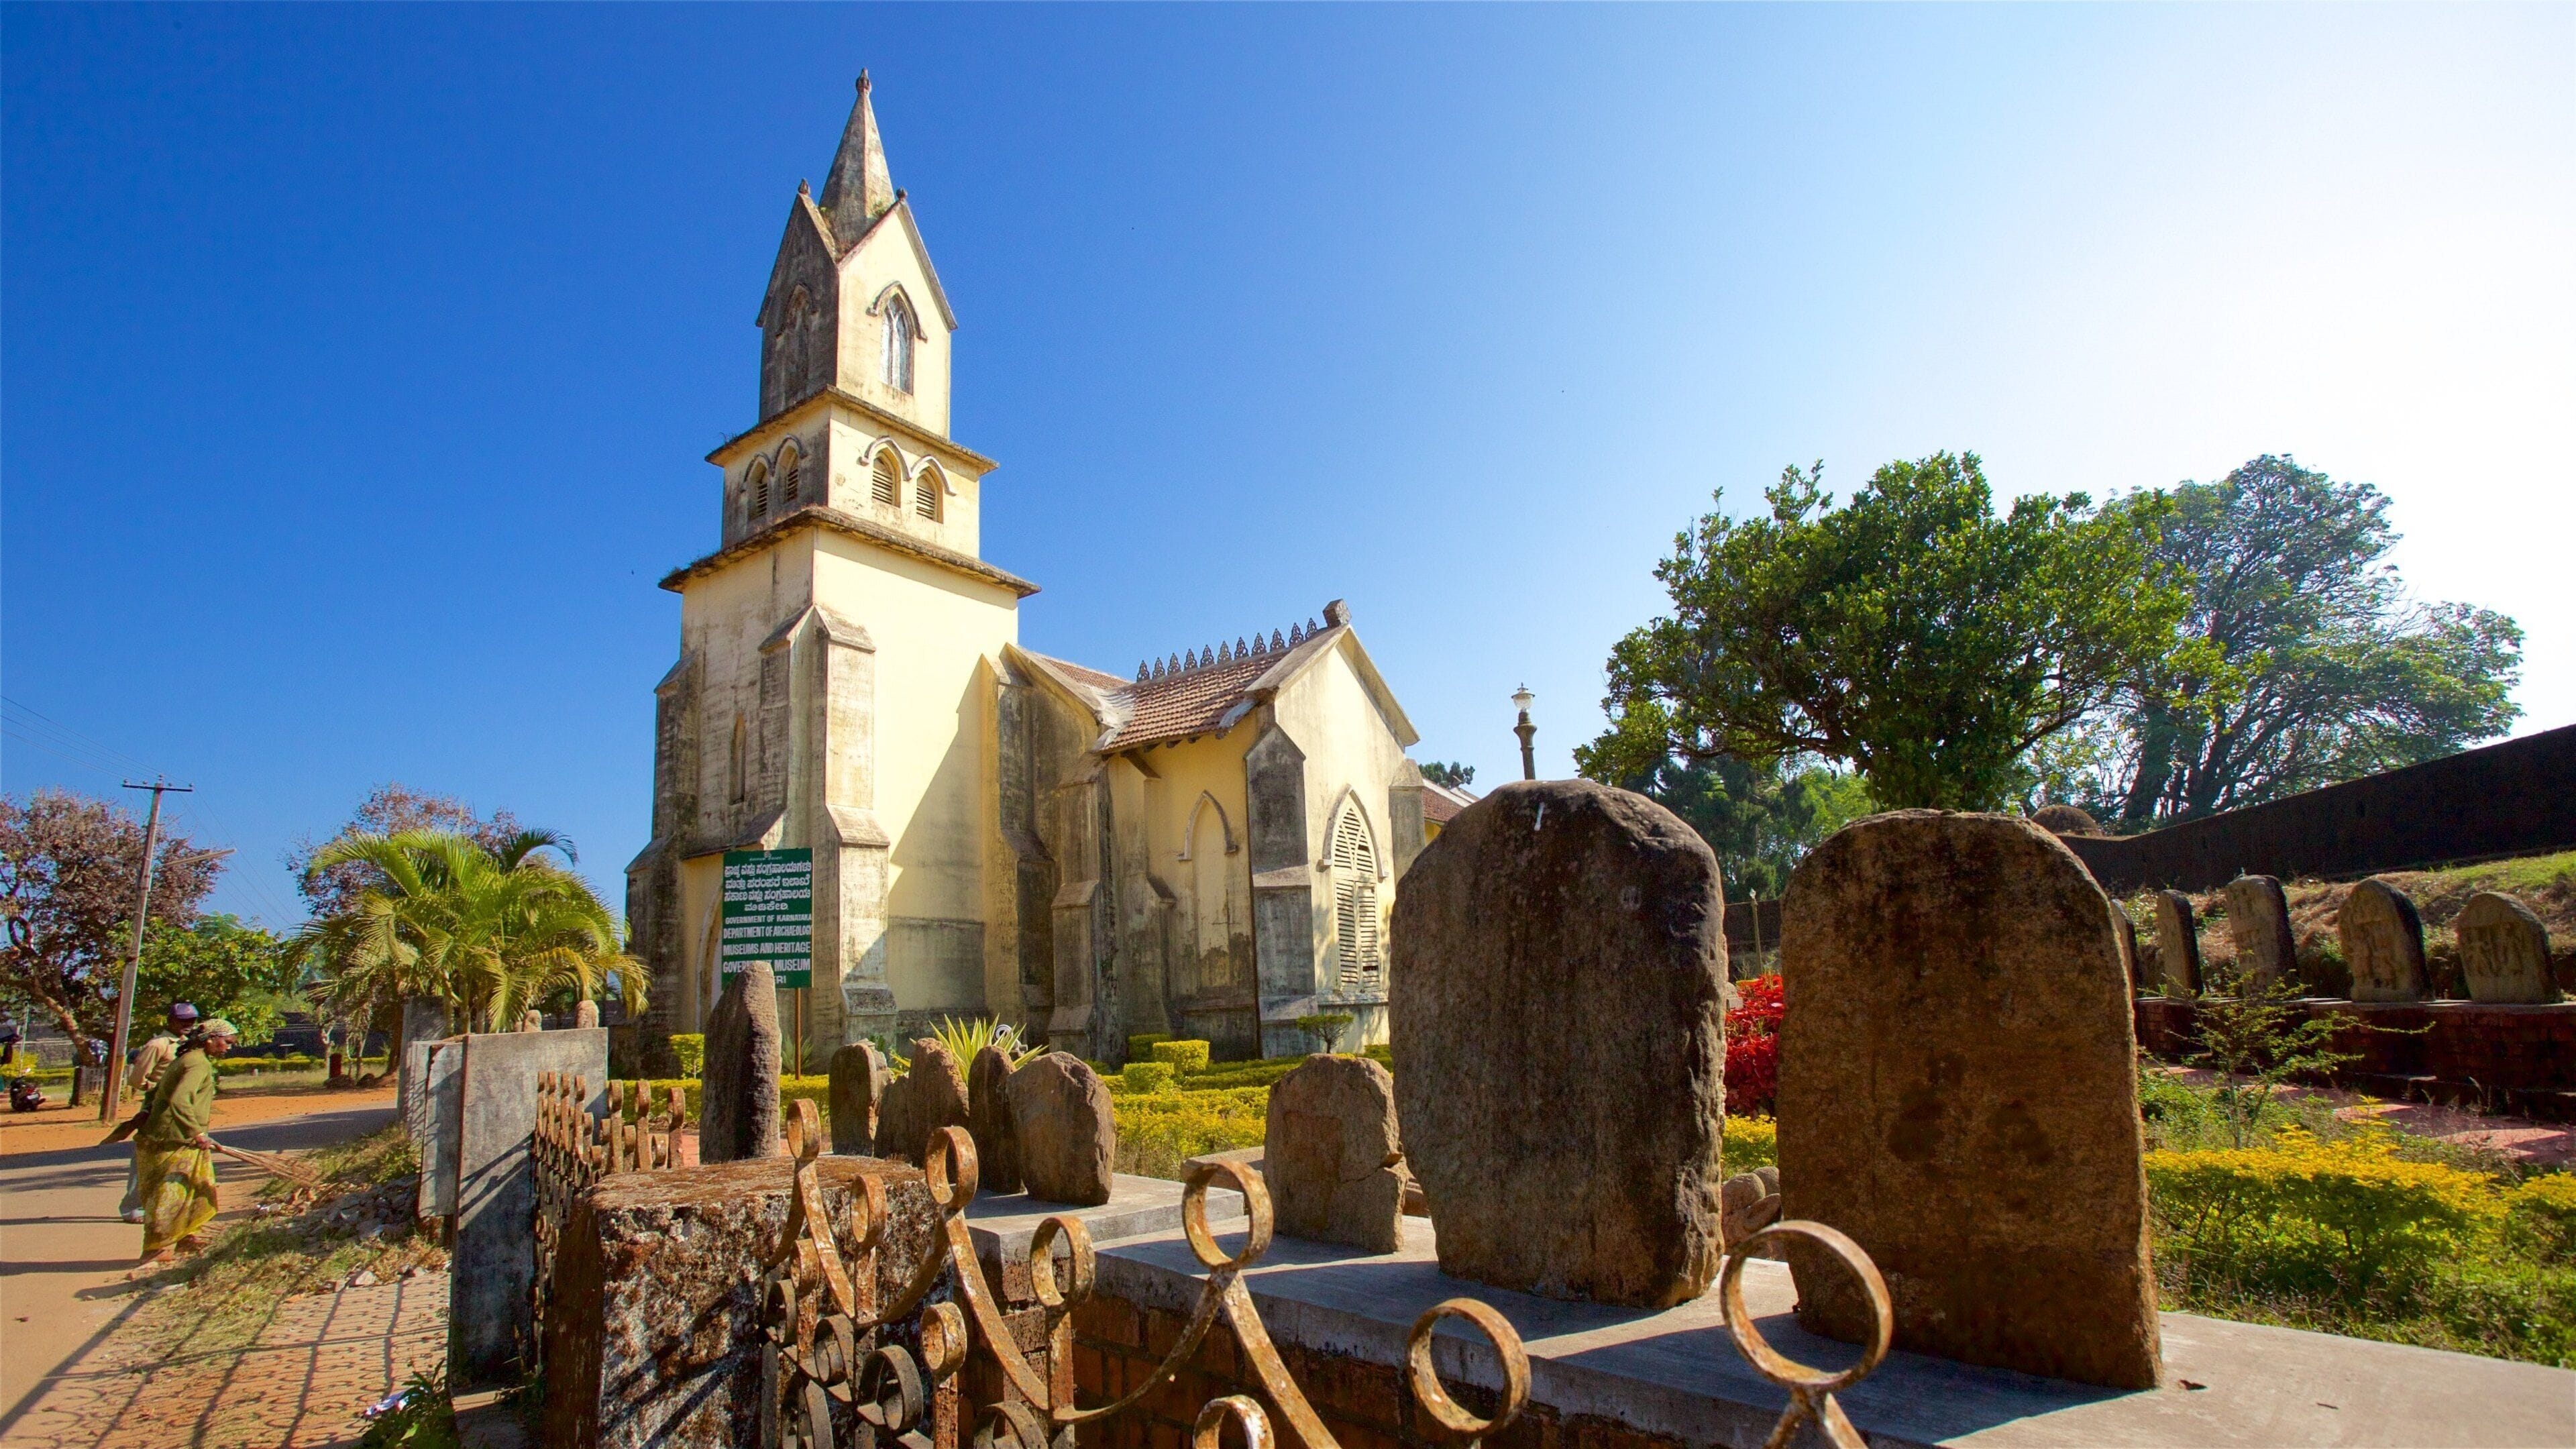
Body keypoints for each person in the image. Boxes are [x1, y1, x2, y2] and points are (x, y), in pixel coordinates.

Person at [131, 1017, 236, 1271]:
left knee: (195, 1186)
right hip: (171, 1138)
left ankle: (186, 1237)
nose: (229, 1047)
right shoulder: (197, 1063)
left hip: (175, 1136)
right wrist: (196, 1132)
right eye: (227, 1041)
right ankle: (154, 1250)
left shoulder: (191, 1059)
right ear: (210, 1040)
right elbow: (180, 1100)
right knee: (169, 1194)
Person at [118, 1003, 201, 1224]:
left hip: (181, 1104)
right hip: (157, 1105)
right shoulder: (158, 1045)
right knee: (146, 1153)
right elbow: (136, 1079)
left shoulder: (190, 1044)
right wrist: (155, 1089)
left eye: (191, 1021)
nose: (188, 1024)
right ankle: (133, 1207)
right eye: (182, 1020)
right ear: (170, 1021)